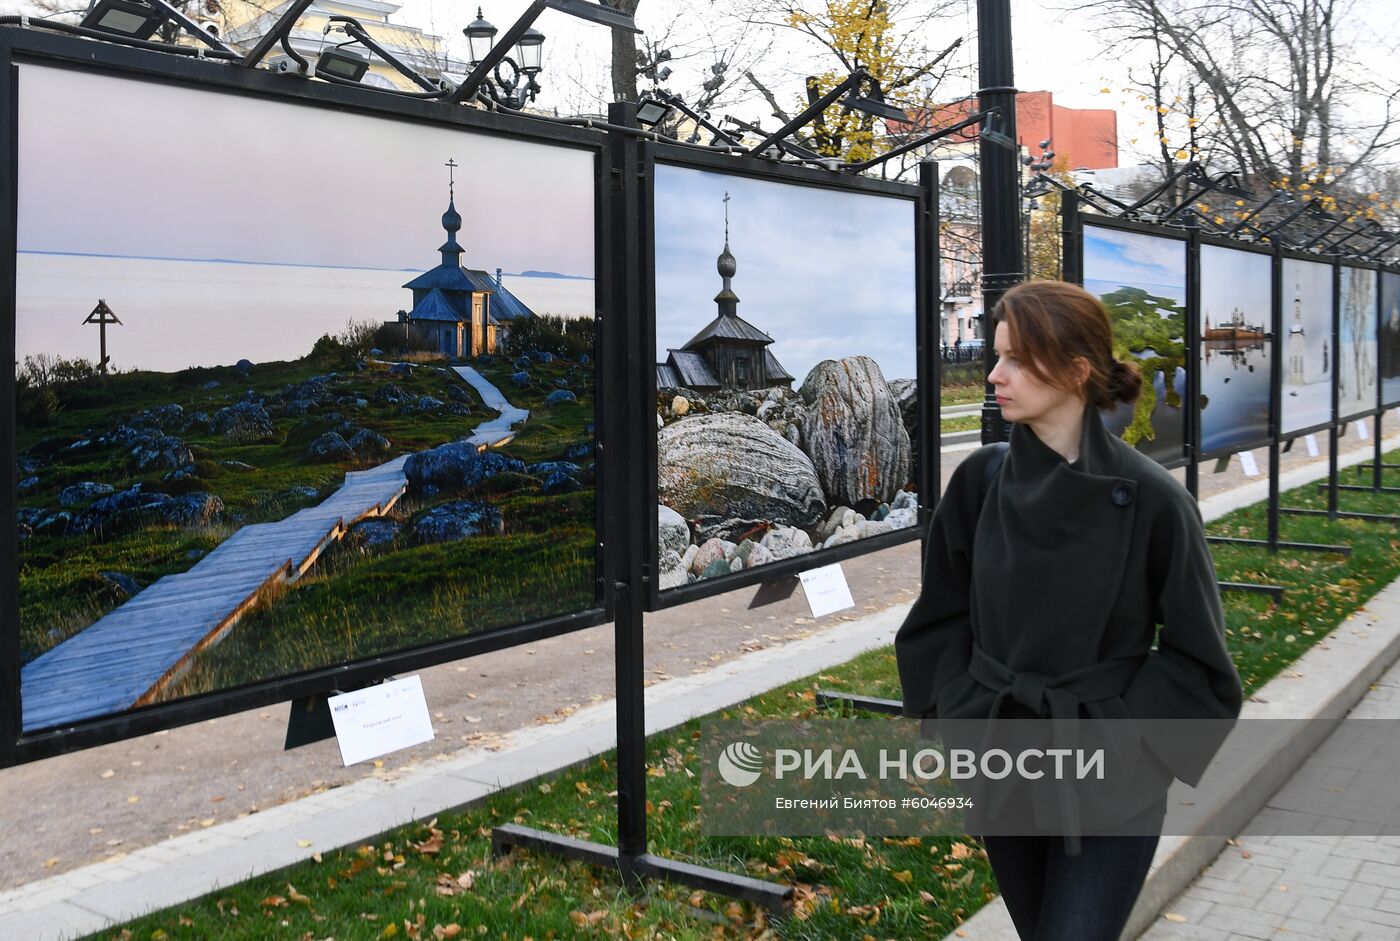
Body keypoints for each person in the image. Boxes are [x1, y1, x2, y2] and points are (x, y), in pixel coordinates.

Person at [895, 280, 1243, 941]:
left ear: (1077, 370)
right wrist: (960, 714)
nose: (993, 374)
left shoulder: (1153, 500)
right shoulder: (979, 481)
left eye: (1016, 359)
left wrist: (1127, 740)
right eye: (997, 355)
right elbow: (939, 616)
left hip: (1109, 775)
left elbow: (1201, 661)